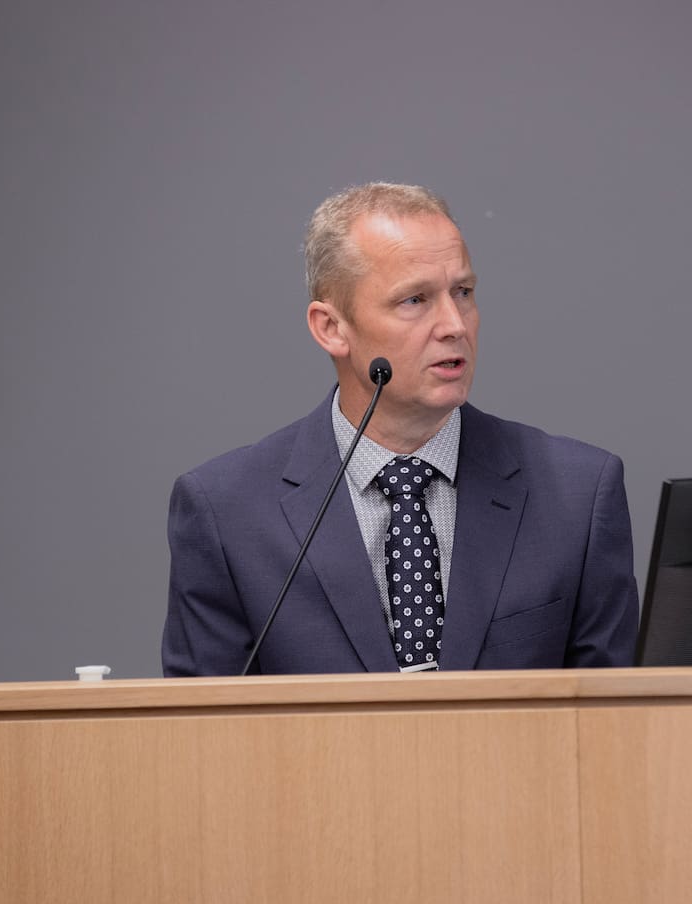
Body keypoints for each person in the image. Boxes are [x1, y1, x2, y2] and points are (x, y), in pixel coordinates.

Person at [162, 182, 638, 675]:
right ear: (331, 328)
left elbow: (611, 725)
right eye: (415, 300)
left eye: (464, 292)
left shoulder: (578, 493)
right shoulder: (225, 512)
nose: (454, 324)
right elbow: (204, 736)